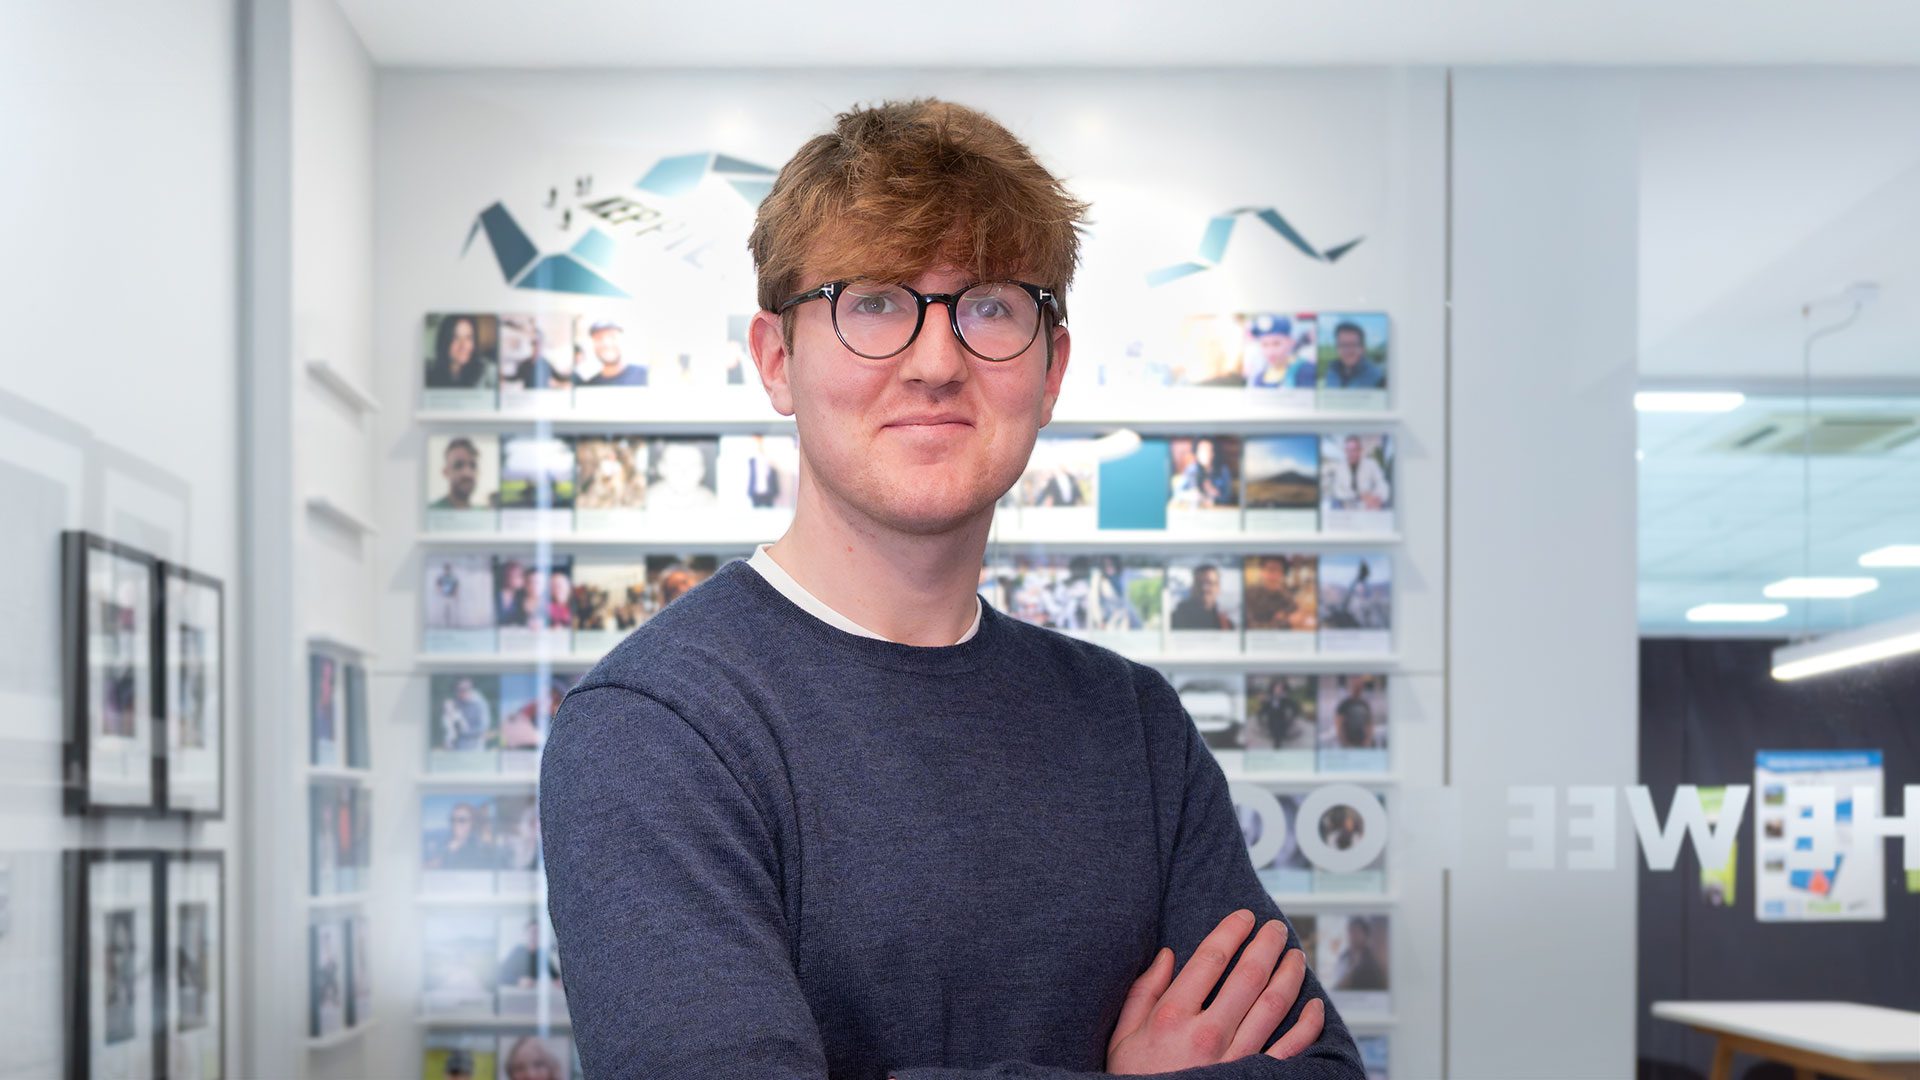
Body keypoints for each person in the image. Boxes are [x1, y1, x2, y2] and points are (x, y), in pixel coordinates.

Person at [540, 98, 1361, 1079]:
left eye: (991, 307)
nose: (936, 363)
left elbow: (1320, 1070)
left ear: (1050, 371)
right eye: (873, 302)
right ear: (776, 361)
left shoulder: (1134, 725)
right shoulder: (656, 725)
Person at [1247, 314, 1315, 388]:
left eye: (1276, 344)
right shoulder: (1259, 378)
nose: (1270, 352)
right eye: (1264, 345)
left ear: (1291, 343)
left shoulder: (1306, 371)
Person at [1323, 435, 1390, 511]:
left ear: (1360, 450)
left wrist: (1376, 497)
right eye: (1348, 450)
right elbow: (1337, 490)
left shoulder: (1371, 464)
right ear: (1345, 451)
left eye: (1354, 450)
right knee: (1334, 504)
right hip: (1347, 505)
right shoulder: (1340, 467)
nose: (1351, 453)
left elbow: (1381, 482)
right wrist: (1357, 496)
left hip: (1369, 505)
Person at [575, 319, 647, 386]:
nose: (606, 344)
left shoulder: (645, 375)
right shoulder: (590, 385)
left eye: (612, 337)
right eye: (599, 338)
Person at [1172, 436, 1236, 508]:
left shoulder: (1222, 470)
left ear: (1213, 453)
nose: (1206, 454)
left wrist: (1214, 497)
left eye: (1208, 450)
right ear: (1197, 453)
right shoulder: (1192, 469)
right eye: (1202, 450)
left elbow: (1228, 498)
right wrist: (1190, 495)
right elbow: (1177, 493)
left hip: (1217, 511)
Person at [426, 314, 489, 388]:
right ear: (444, 341)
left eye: (469, 338)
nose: (464, 346)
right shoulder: (429, 377)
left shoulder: (487, 372)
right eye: (456, 338)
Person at [1170, 562, 1237, 631]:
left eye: (1210, 583)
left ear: (1218, 588)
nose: (1204, 588)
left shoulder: (1226, 625)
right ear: (1192, 587)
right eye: (1200, 583)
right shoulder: (1173, 620)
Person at [1322, 321, 1385, 390]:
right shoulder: (1331, 371)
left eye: (1353, 344)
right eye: (1343, 345)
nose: (1347, 350)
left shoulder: (1377, 378)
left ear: (1362, 348)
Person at [430, 438, 485, 510]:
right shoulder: (432, 511)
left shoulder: (482, 512)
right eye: (458, 465)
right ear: (445, 472)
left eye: (473, 465)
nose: (467, 473)